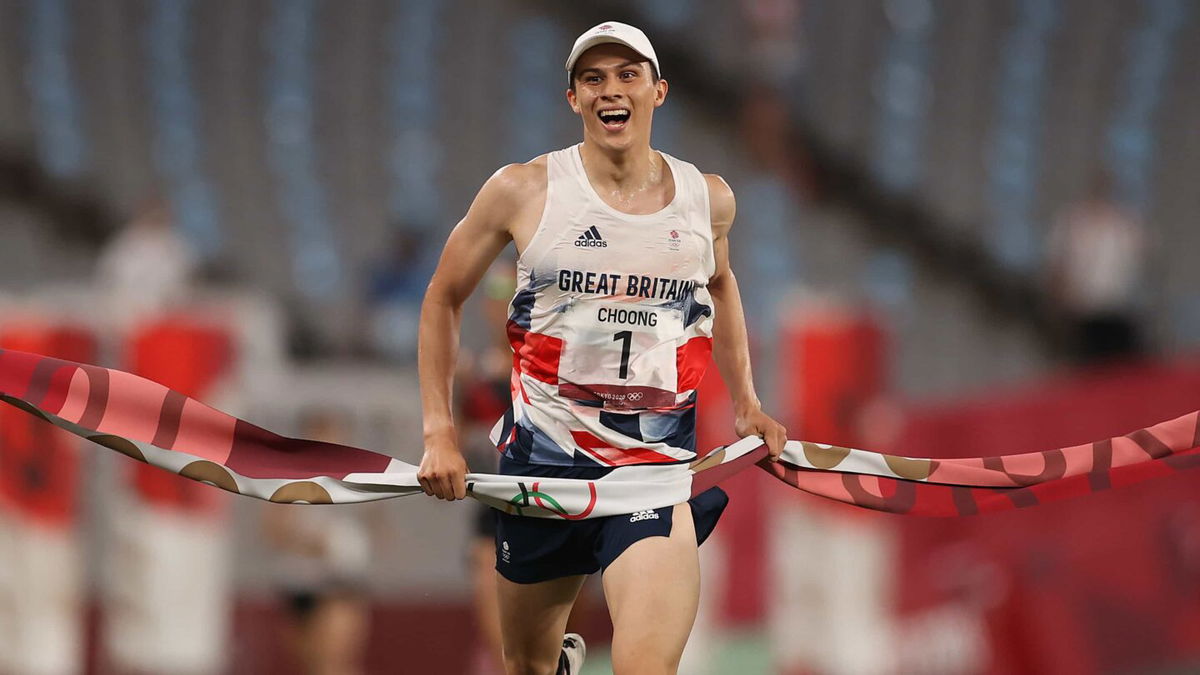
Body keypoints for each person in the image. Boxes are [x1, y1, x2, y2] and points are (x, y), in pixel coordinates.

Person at [416, 22, 786, 675]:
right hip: (542, 473)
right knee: (525, 665)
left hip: (652, 472)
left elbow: (721, 284)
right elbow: (443, 296)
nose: (610, 90)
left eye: (626, 74)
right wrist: (439, 433)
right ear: (573, 99)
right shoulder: (524, 190)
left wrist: (750, 403)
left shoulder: (709, 200)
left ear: (658, 91)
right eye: (593, 78)